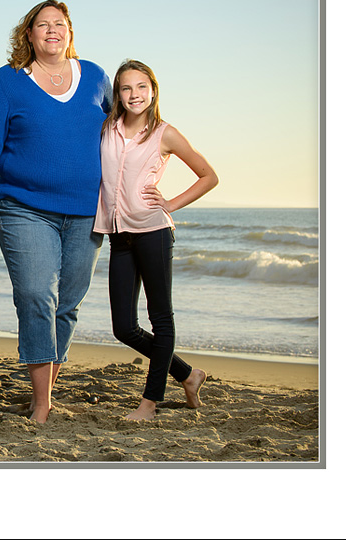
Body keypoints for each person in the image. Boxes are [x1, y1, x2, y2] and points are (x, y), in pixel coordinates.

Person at [0, 0, 111, 423]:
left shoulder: (97, 78)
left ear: (70, 31)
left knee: (68, 303)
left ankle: (46, 389)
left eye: (59, 24)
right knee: (35, 296)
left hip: (86, 210)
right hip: (23, 206)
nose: (52, 30)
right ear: (27, 34)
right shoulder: (8, 81)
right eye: (42, 25)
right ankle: (42, 402)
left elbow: (120, 134)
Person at [93, 59, 218, 421]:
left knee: (161, 318)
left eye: (141, 87)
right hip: (119, 234)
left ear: (153, 91)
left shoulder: (165, 133)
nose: (135, 95)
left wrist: (171, 203)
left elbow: (209, 176)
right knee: (124, 328)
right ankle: (188, 374)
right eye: (127, 88)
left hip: (153, 232)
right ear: (117, 94)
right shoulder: (107, 128)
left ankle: (150, 403)